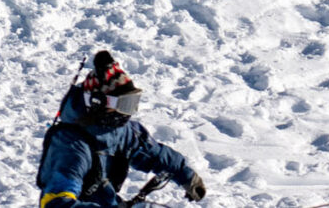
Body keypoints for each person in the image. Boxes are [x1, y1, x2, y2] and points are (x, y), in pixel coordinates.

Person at [37, 50, 209, 208]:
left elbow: (151, 152)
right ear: (98, 103)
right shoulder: (71, 146)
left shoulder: (118, 130)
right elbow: (57, 202)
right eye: (123, 105)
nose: (126, 113)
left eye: (131, 104)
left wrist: (184, 174)